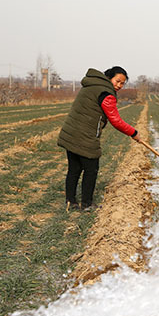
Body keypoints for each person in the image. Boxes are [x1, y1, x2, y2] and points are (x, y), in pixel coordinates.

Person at [57, 66, 140, 211]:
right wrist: (133, 133)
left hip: (71, 132)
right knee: (91, 168)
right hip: (85, 136)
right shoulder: (106, 93)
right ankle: (87, 204)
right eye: (117, 81)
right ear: (109, 78)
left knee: (74, 168)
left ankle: (70, 202)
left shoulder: (91, 85)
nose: (119, 85)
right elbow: (116, 120)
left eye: (122, 83)